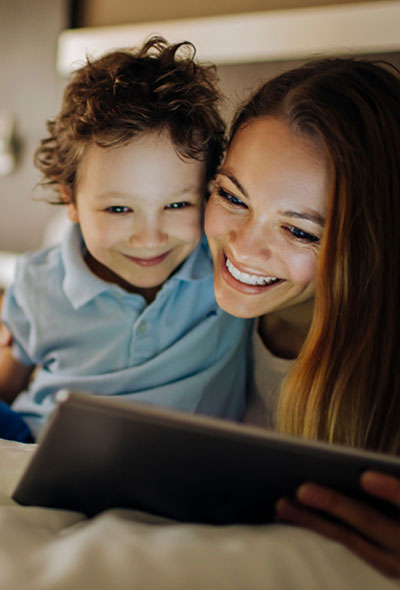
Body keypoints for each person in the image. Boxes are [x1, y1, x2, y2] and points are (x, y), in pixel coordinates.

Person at [204, 57, 400, 578]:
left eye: (300, 232)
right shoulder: (174, 291)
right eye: (231, 196)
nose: (242, 246)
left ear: (370, 250)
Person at [0, 36, 251, 441]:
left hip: (179, 479)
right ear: (71, 200)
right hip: (44, 451)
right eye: (118, 209)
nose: (150, 238)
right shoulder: (37, 283)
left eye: (177, 206)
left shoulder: (231, 270)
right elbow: (7, 390)